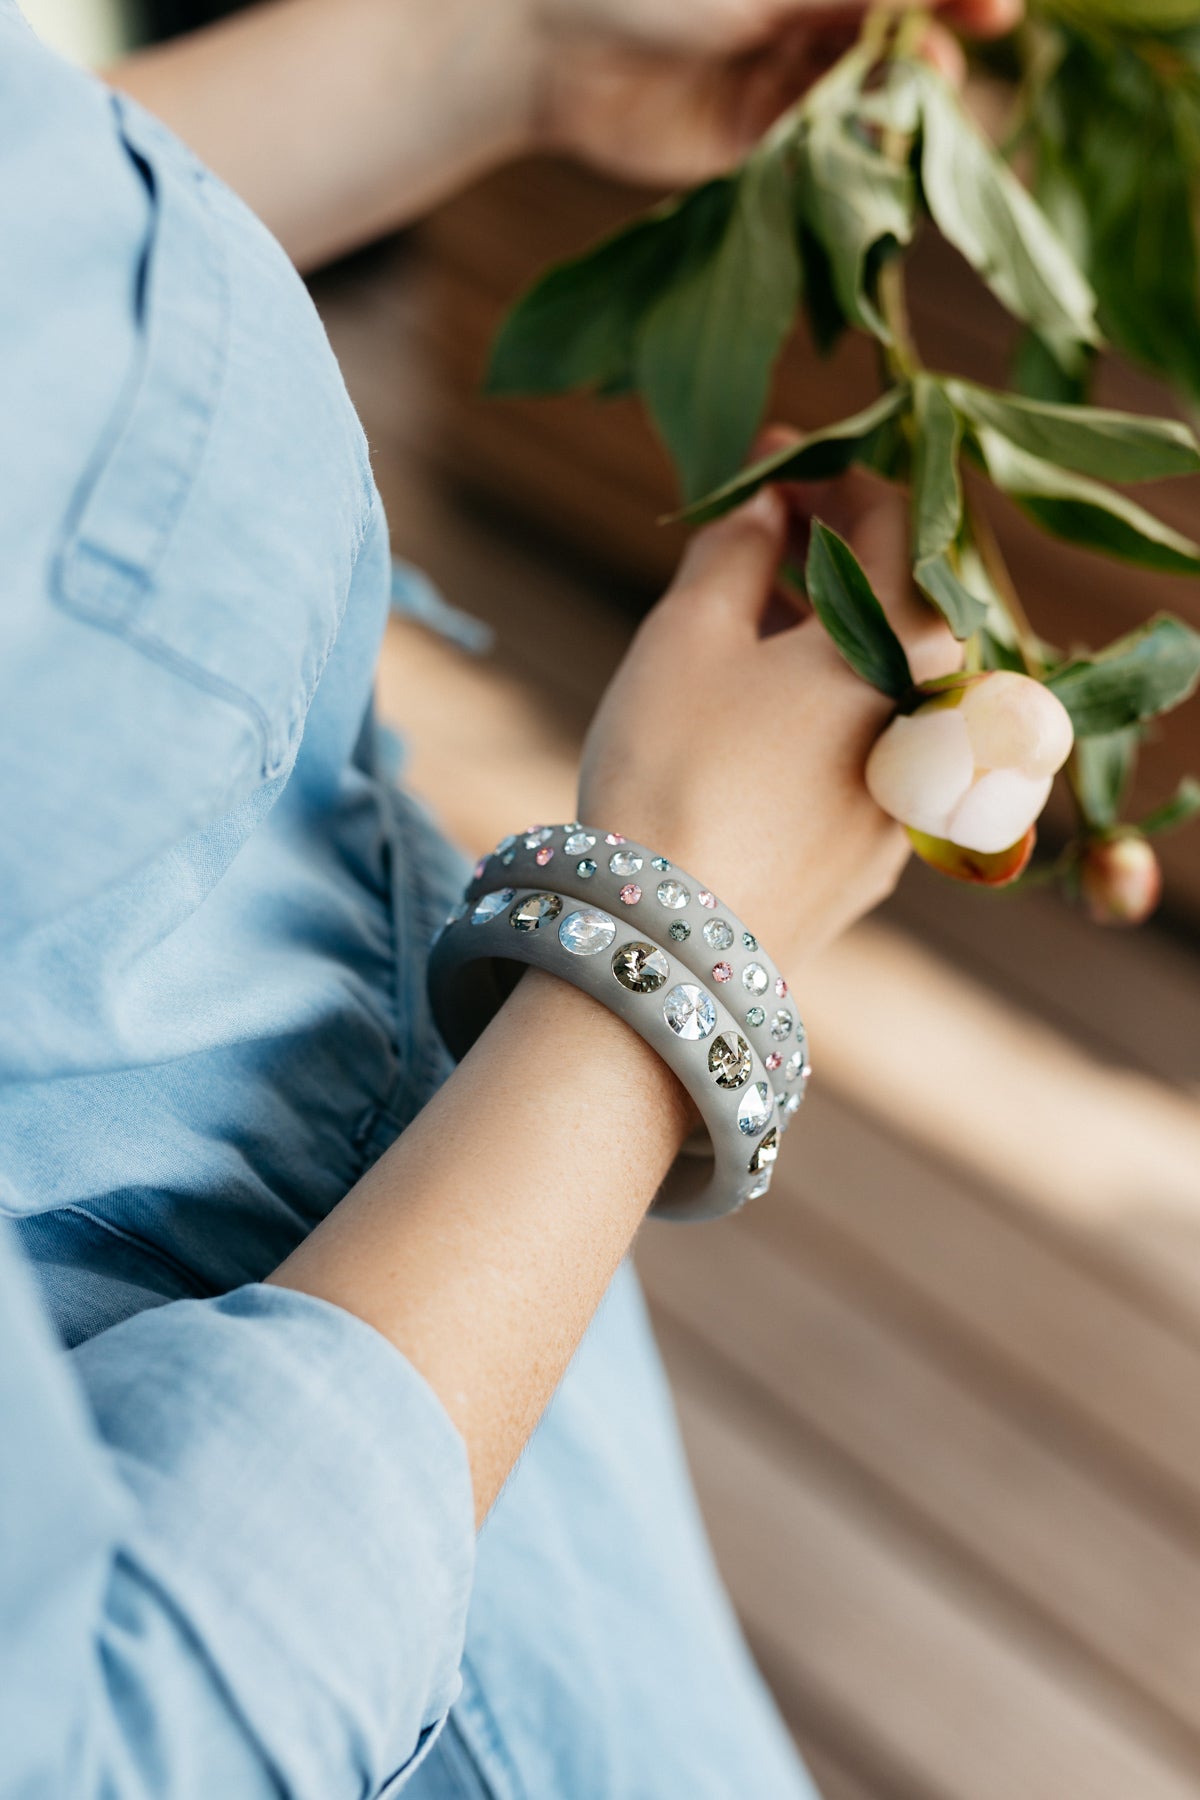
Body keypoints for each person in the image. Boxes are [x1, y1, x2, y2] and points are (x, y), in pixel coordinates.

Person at [0, 0, 1018, 1795]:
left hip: (469, 1242)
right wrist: (669, 963)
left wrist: (489, 51)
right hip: (348, 1526)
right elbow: (120, 1738)